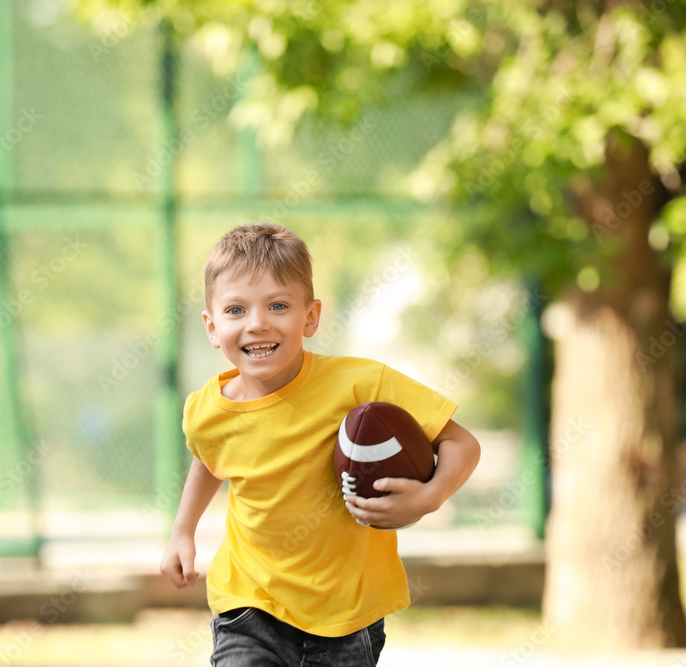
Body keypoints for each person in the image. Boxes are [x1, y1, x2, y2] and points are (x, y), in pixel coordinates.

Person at [160, 222, 481, 666]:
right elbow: (209, 461)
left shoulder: (363, 384)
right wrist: (183, 530)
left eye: (277, 305)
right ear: (212, 327)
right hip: (250, 604)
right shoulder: (206, 410)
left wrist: (429, 496)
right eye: (236, 311)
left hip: (347, 617)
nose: (257, 324)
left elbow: (462, 443)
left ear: (310, 317)